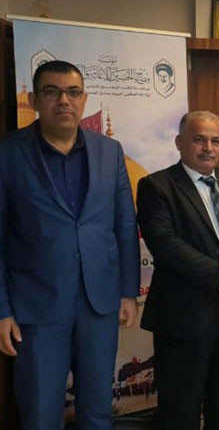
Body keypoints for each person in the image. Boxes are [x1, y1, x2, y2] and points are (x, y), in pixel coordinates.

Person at [0, 60, 140, 429]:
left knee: (98, 411)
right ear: (34, 100)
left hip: (99, 304)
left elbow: (125, 224)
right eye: (52, 91)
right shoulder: (9, 153)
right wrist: (2, 310)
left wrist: (128, 291)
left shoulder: (110, 151)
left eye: (73, 92)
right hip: (37, 307)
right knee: (40, 413)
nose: (64, 100)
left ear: (84, 99)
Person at [136, 110, 219, 430]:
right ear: (179, 142)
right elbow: (165, 244)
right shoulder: (157, 186)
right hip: (184, 315)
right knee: (180, 408)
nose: (208, 148)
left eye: (215, 141)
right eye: (199, 139)